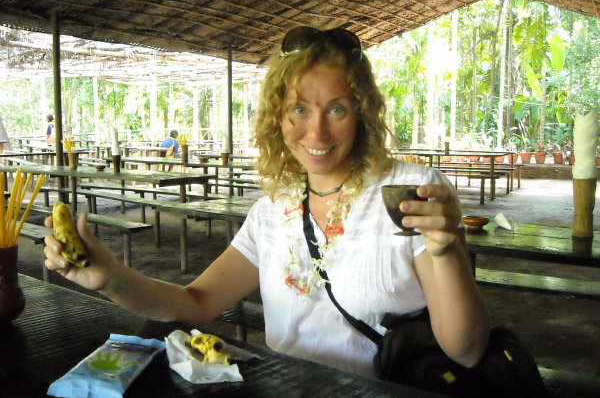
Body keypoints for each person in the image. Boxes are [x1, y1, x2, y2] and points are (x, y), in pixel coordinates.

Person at [44, 26, 489, 380]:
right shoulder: (272, 210)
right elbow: (196, 302)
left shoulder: (410, 191)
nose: (317, 132)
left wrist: (447, 250)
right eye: (300, 109)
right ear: (278, 115)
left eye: (337, 109)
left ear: (362, 113)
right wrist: (110, 278)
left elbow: (467, 351)